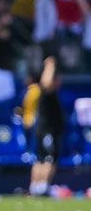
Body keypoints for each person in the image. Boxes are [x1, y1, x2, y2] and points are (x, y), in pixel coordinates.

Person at [24, 56, 64, 196]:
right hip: (48, 130)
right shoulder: (47, 93)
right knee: (48, 158)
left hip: (44, 130)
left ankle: (36, 188)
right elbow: (46, 83)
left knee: (40, 158)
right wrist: (50, 65)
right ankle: (42, 188)